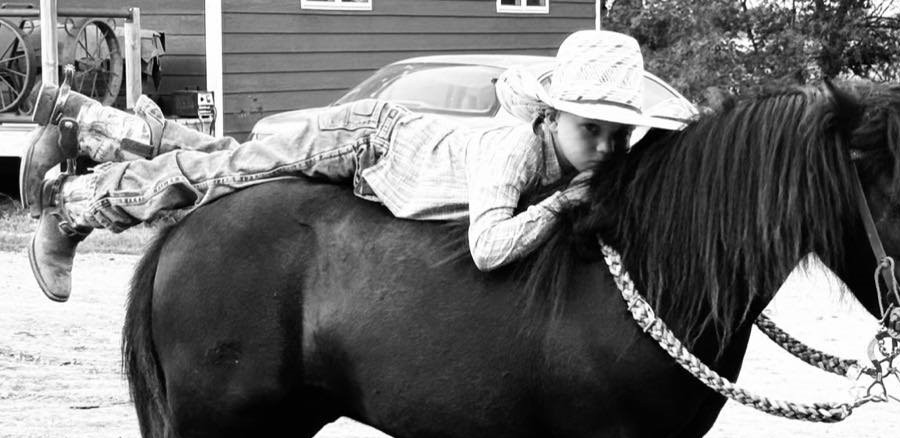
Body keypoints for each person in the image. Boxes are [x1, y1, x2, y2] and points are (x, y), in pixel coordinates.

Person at [21, 30, 692, 302]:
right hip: (367, 141)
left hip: (383, 149)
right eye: (590, 129)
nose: (605, 147)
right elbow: (488, 248)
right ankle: (71, 207)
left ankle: (85, 121)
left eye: (617, 134)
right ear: (549, 115)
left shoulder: (573, 156)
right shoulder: (515, 148)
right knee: (221, 180)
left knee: (228, 158)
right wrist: (560, 205)